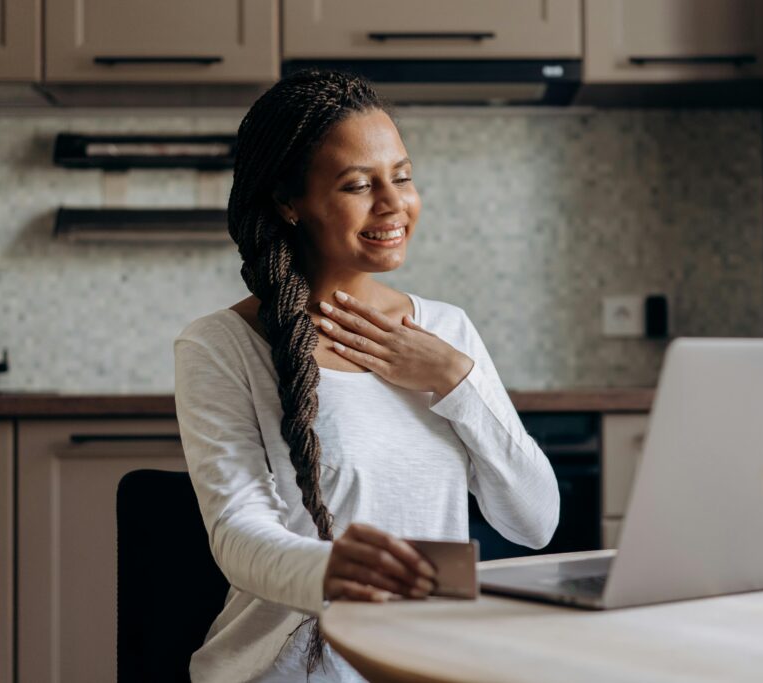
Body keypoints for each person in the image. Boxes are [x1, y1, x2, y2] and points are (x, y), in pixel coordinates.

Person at [173, 69, 561, 683]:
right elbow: (237, 532)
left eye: (402, 177)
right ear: (288, 201)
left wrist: (457, 381)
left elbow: (535, 523)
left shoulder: (448, 331)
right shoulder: (222, 345)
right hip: (292, 666)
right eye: (358, 184)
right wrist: (332, 570)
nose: (393, 205)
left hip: (434, 661)